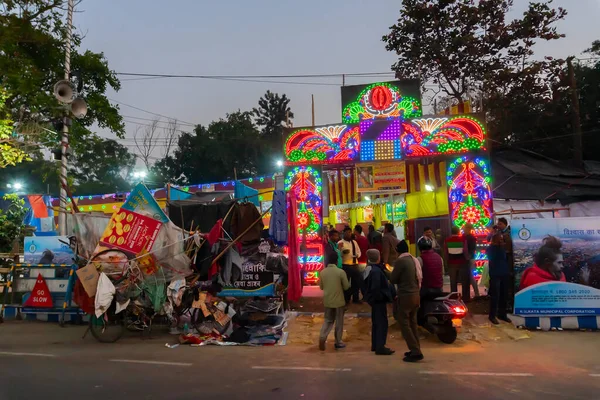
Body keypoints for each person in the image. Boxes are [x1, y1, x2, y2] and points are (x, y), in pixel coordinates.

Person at [390, 240, 424, 362]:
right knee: (413, 323)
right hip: (416, 295)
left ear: (397, 251)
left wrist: (387, 272)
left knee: (404, 323)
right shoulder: (413, 260)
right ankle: (416, 348)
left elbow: (393, 279)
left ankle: (415, 351)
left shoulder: (400, 261)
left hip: (406, 296)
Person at [364, 249, 396, 355]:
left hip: (375, 301)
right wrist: (382, 297)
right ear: (377, 258)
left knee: (376, 323)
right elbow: (376, 288)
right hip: (379, 301)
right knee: (381, 323)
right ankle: (380, 347)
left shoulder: (371, 269)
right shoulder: (376, 271)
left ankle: (375, 344)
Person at [319, 252, 351, 351]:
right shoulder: (340, 272)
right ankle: (338, 342)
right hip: (339, 301)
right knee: (339, 322)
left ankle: (322, 337)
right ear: (337, 261)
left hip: (327, 300)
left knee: (328, 320)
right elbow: (346, 287)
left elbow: (321, 287)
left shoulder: (322, 272)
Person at [487, 233, 511, 324]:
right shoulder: (491, 249)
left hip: (504, 273)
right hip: (495, 274)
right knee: (495, 295)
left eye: (502, 239)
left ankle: (502, 314)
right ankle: (492, 315)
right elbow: (492, 258)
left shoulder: (502, 248)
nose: (501, 240)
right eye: (499, 239)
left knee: (504, 295)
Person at [338, 227, 363, 304]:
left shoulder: (354, 242)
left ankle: (356, 298)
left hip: (354, 264)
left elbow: (359, 252)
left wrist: (357, 255)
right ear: (343, 233)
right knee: (346, 283)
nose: (349, 234)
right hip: (345, 265)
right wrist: (342, 253)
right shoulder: (340, 243)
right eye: (347, 232)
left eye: (350, 232)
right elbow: (338, 254)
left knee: (356, 282)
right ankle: (346, 299)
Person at [445, 226, 468, 297]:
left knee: (453, 281)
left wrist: (447, 262)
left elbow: (446, 253)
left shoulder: (447, 240)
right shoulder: (462, 239)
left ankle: (454, 296)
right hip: (462, 262)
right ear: (458, 231)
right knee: (464, 281)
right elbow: (465, 251)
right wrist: (467, 259)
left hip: (452, 263)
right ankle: (465, 297)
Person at [463, 223, 481, 300]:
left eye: (464, 228)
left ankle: (476, 294)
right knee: (470, 276)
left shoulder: (469, 237)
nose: (463, 229)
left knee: (470, 276)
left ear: (467, 228)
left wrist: (467, 257)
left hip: (469, 259)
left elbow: (470, 250)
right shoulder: (470, 237)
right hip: (471, 258)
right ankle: (476, 293)